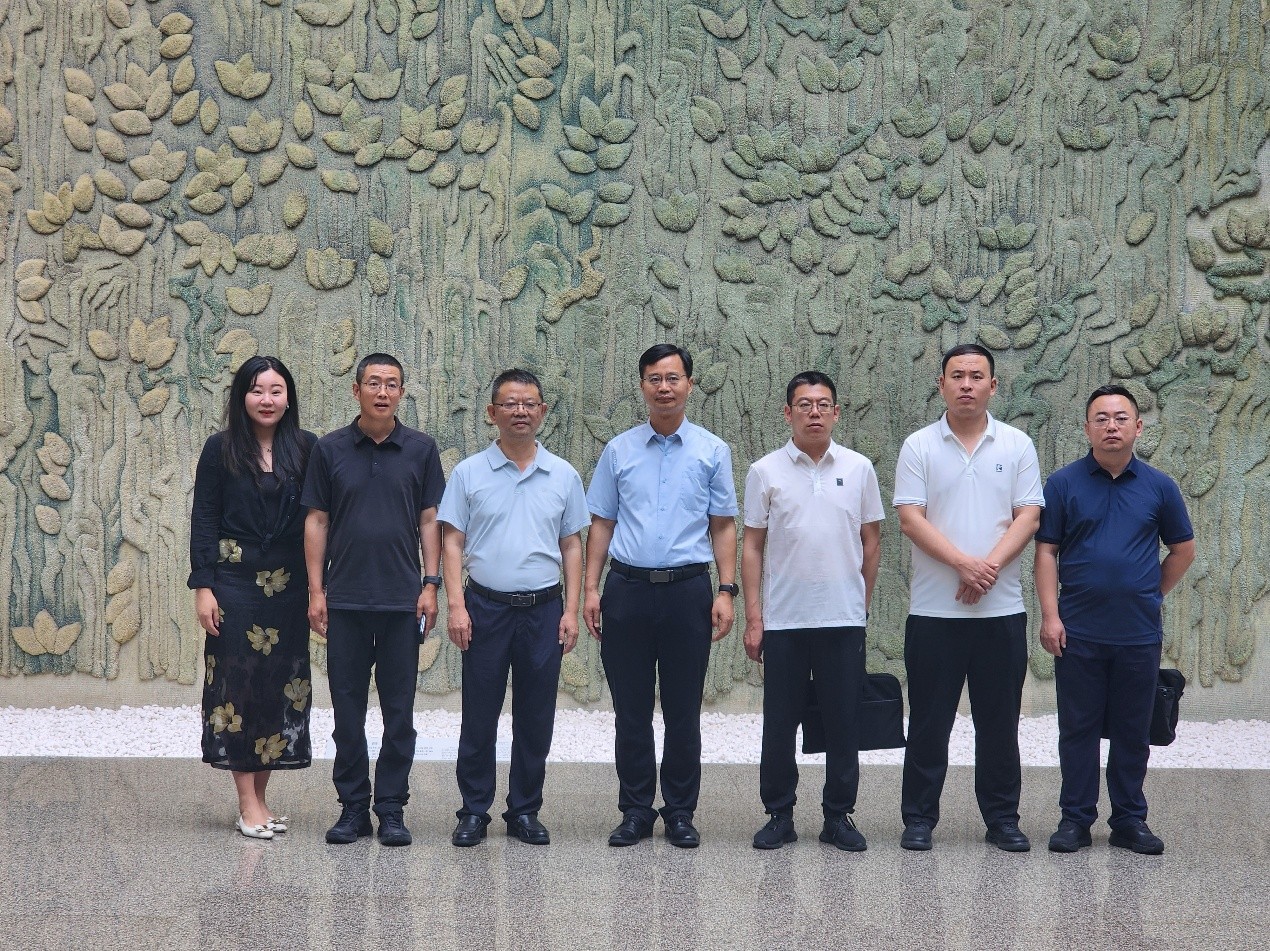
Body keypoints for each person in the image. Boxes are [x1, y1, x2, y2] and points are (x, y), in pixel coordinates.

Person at [583, 343, 739, 848]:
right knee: (630, 711)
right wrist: (591, 588)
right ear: (643, 386)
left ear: (689, 384)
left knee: (682, 710)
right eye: (655, 378)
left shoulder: (712, 450)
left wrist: (726, 590)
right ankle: (634, 810)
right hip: (626, 591)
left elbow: (723, 525)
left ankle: (679, 812)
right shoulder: (618, 450)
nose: (664, 387)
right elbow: (602, 522)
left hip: (688, 592)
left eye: (673, 378)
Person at [893, 343, 1043, 852]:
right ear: (941, 384)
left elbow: (1029, 515)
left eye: (976, 376)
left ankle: (1002, 819)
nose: (966, 384)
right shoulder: (918, 445)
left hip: (1001, 611)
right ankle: (918, 818)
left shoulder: (1017, 444)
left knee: (999, 724)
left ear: (993, 386)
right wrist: (964, 565)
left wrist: (987, 570)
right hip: (934, 611)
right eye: (956, 375)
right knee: (928, 723)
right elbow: (910, 518)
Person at [1036, 384, 1195, 855]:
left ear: (1138, 427)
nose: (1111, 426)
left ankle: (1129, 820)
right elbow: (1046, 552)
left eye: (1121, 418)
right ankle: (1075, 819)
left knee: (1132, 730)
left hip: (1137, 634)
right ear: (1087, 428)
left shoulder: (1160, 487)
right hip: (1077, 631)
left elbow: (1183, 550)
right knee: (1078, 730)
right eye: (1101, 418)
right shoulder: (1063, 484)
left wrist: (1150, 592)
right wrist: (1050, 616)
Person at [439, 369, 589, 847]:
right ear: (492, 413)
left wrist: (570, 610)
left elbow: (572, 545)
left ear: (542, 411)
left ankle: (524, 810)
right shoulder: (468, 473)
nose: (520, 412)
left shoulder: (563, 474)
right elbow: (452, 542)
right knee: (479, 715)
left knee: (535, 716)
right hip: (484, 608)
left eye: (529, 404)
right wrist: (457, 606)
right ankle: (474, 811)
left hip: (543, 611)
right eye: (510, 404)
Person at [302, 353, 445, 847]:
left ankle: (391, 809)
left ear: (401, 392)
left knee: (399, 713)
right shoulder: (329, 449)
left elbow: (430, 519)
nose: (383, 392)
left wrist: (431, 584)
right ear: (356, 390)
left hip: (402, 602)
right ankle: (352, 808)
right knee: (347, 713)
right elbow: (317, 520)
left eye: (392, 384)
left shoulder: (421, 449)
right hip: (345, 602)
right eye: (373, 383)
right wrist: (316, 591)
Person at [741, 372, 884, 851]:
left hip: (843, 620)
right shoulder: (765, 471)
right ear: (788, 413)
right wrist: (755, 618)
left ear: (837, 412)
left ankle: (838, 816)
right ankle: (779, 814)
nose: (814, 412)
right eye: (804, 404)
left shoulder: (860, 468)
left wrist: (860, 604)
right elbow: (752, 546)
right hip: (785, 621)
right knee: (779, 724)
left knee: (843, 722)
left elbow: (871, 541)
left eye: (823, 404)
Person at [190, 355, 317, 840]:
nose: (267, 400)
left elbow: (318, 520)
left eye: (276, 391)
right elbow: (204, 519)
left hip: (289, 587)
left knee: (277, 688)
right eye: (257, 390)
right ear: (242, 396)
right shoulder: (219, 449)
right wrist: (204, 587)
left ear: (288, 398)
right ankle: (247, 804)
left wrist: (319, 587)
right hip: (234, 586)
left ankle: (261, 800)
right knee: (238, 688)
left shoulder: (306, 448)